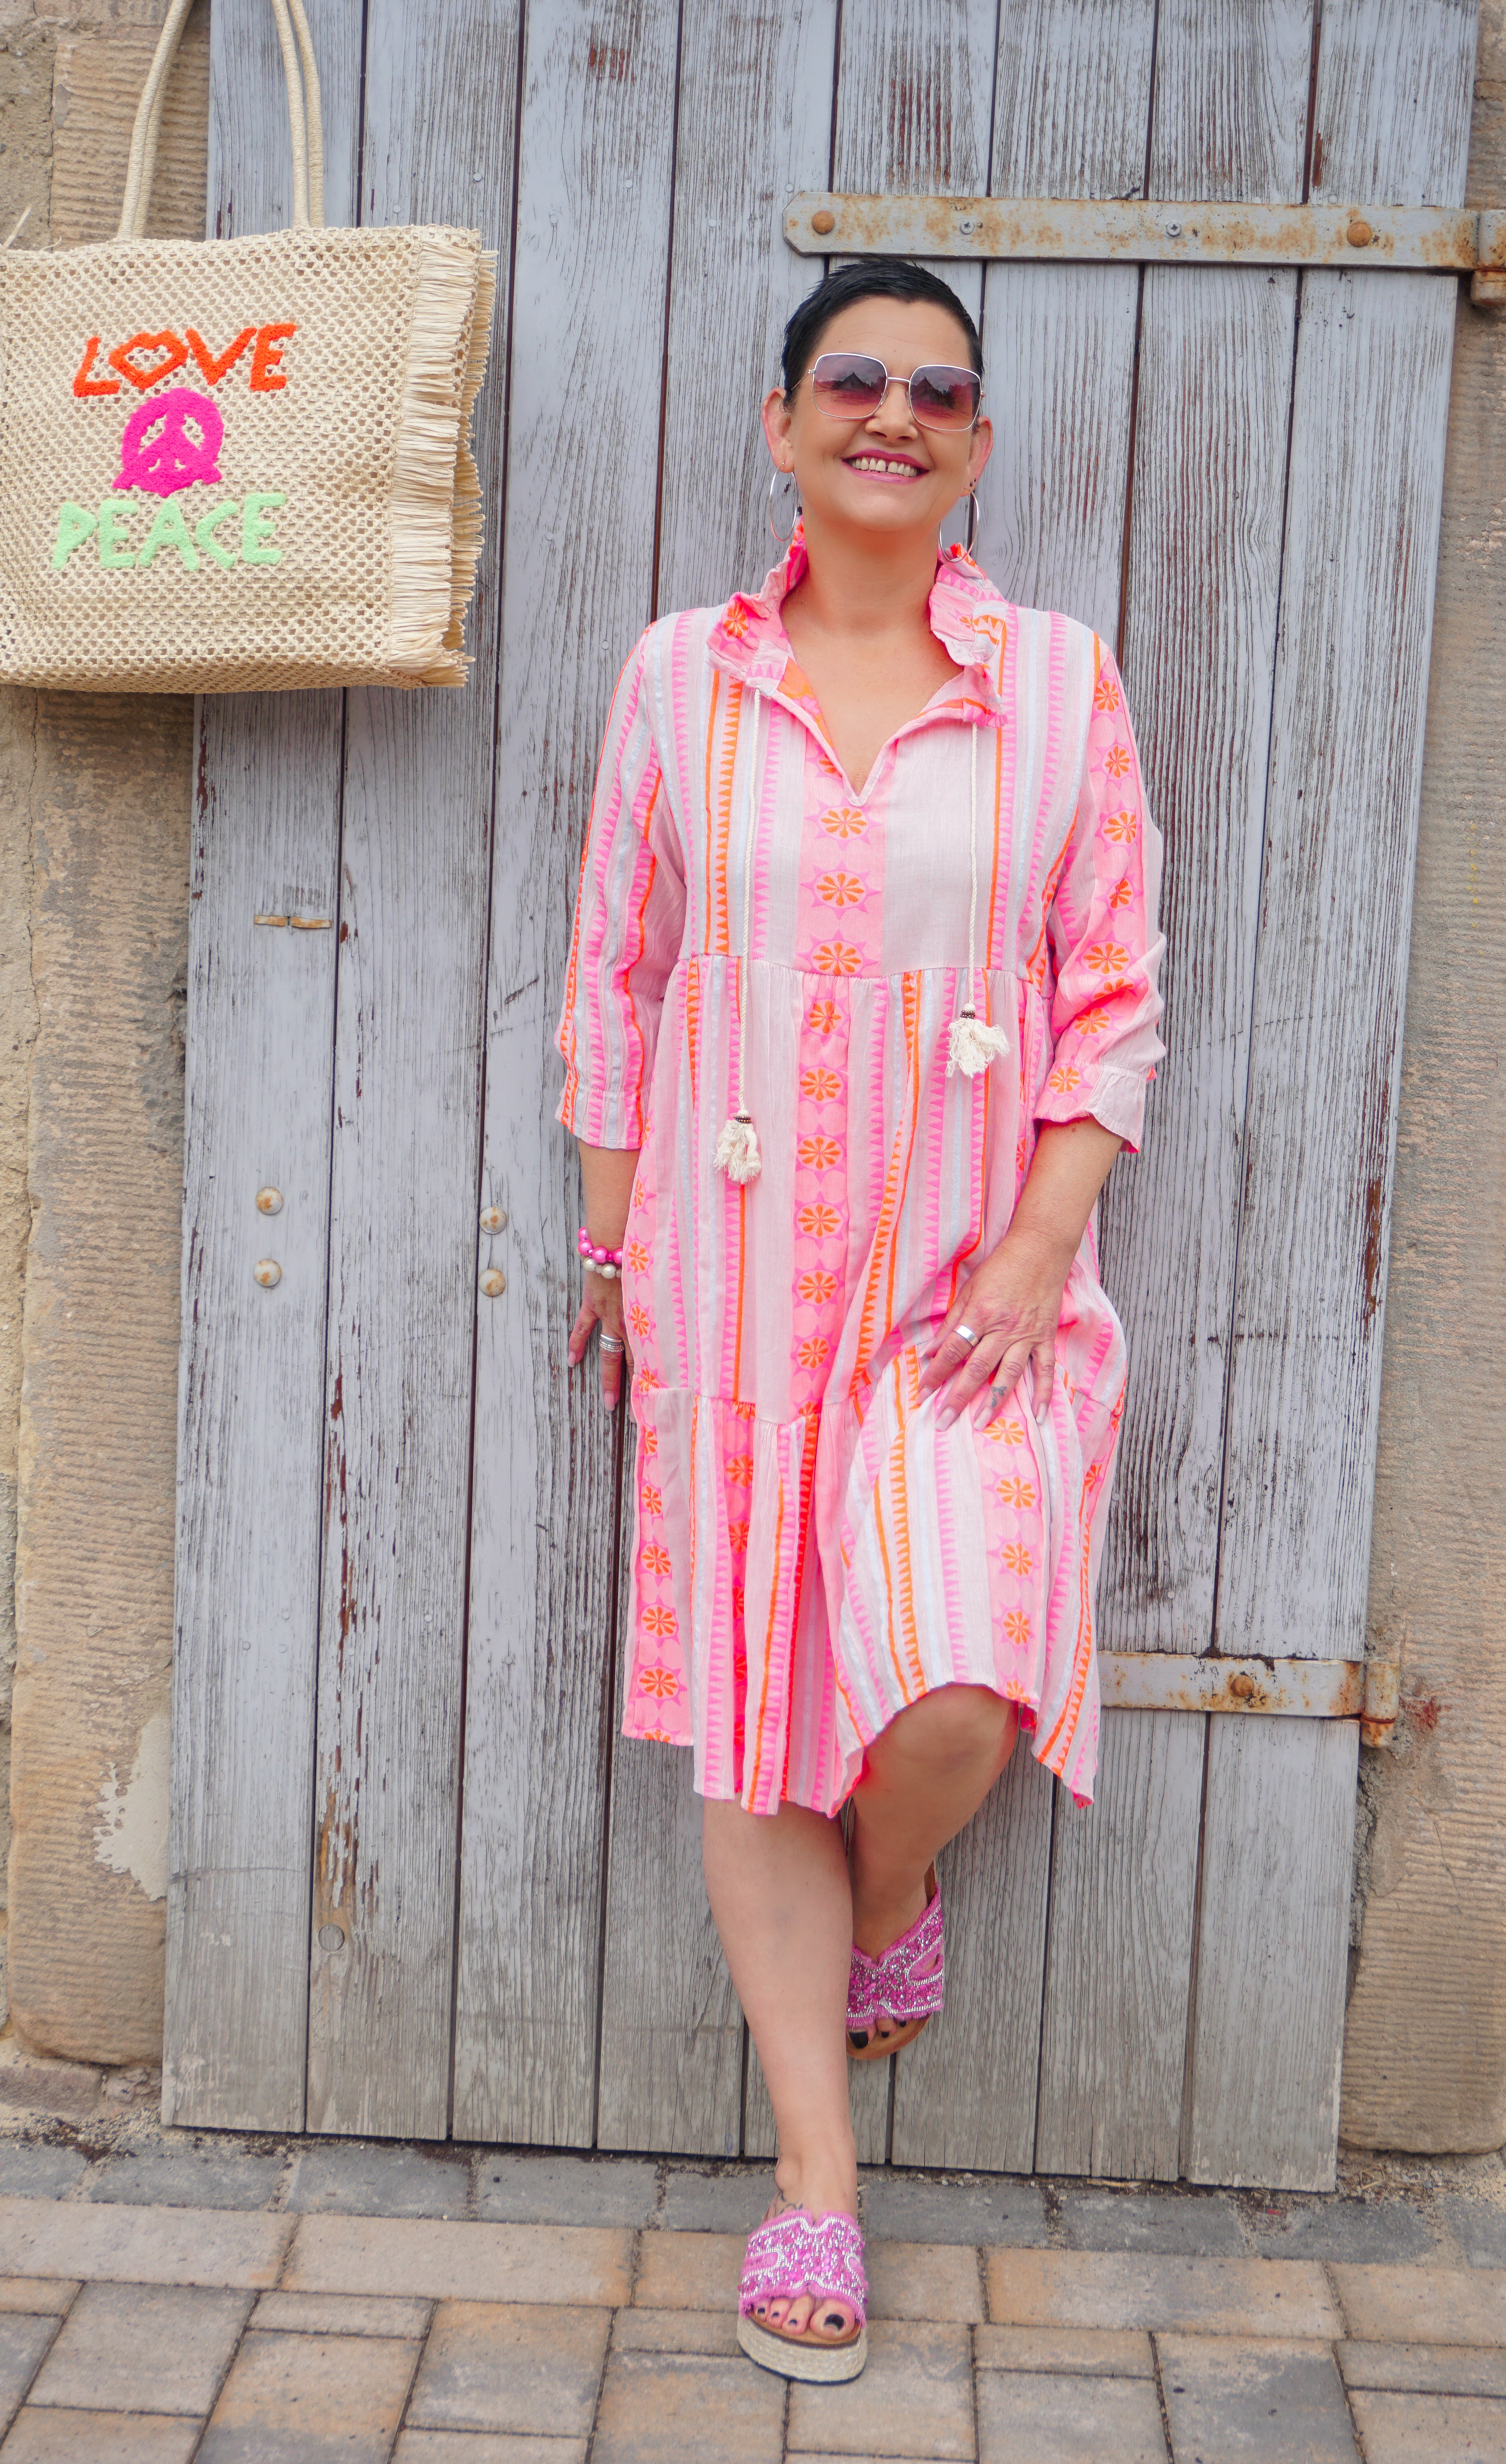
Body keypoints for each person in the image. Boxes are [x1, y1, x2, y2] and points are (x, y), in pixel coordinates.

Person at [555, 259, 1165, 2384]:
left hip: (966, 1289)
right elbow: (618, 969)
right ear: (784, 425)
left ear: (975, 446)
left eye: (938, 390)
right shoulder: (681, 678)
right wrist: (614, 1252)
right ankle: (813, 2183)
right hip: (728, 1274)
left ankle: (888, 1901)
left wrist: (1038, 1246)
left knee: (962, 1692)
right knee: (750, 1700)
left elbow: (1115, 991)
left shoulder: (1059, 683)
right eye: (853, 380)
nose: (893, 412)